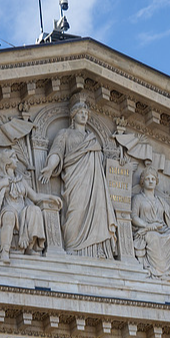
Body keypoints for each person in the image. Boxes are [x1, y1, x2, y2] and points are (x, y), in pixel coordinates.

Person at [39, 100, 117, 259]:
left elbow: (103, 164)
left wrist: (120, 163)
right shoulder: (65, 134)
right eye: (81, 112)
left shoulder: (92, 138)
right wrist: (49, 167)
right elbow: (57, 152)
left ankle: (96, 251)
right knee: (75, 211)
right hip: (75, 180)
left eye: (86, 113)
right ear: (73, 116)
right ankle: (72, 247)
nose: (84, 115)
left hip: (95, 185)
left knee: (98, 211)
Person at [0, 149, 60, 264]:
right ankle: (4, 251)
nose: (17, 160)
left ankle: (29, 247)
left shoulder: (21, 180)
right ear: (7, 162)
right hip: (7, 210)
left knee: (35, 210)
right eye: (13, 157)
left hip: (22, 211)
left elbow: (35, 196)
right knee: (9, 215)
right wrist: (1, 184)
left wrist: (50, 197)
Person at [132, 168, 170, 280]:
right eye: (147, 179)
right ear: (142, 182)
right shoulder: (138, 199)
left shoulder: (161, 200)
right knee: (154, 237)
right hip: (147, 230)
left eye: (153, 179)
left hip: (163, 229)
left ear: (156, 182)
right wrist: (147, 225)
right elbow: (133, 217)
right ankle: (160, 272)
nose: (150, 181)